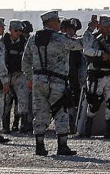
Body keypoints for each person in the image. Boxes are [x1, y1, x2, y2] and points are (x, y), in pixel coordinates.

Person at [21, 10, 84, 156]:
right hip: (57, 81)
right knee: (61, 111)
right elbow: (79, 44)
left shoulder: (33, 38)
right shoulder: (60, 38)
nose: (60, 24)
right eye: (58, 21)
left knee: (40, 112)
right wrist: (90, 31)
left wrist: (30, 78)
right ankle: (62, 146)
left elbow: (25, 61)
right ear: (52, 22)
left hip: (38, 81)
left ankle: (39, 146)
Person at [81, 15, 110, 139]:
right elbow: (87, 51)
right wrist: (100, 54)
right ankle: (88, 126)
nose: (108, 29)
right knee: (94, 103)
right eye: (106, 27)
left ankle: (109, 129)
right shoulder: (93, 38)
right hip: (96, 75)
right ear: (99, 26)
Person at [2, 19, 31, 133]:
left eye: (20, 30)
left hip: (20, 74)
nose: (18, 33)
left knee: (23, 99)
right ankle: (5, 126)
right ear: (10, 30)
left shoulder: (25, 43)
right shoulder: (2, 42)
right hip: (6, 75)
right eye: (16, 30)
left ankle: (21, 124)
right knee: (6, 101)